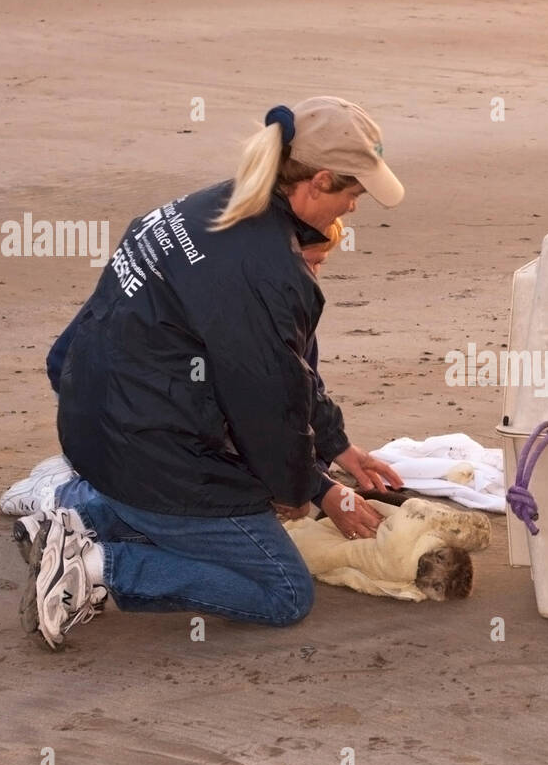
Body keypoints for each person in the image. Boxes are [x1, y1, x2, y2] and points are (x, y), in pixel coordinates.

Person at [21, 96, 405, 650]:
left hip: (91, 429)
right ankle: (96, 565)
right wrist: (310, 490)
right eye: (353, 193)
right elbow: (267, 408)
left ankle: (71, 514)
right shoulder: (266, 271)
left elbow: (279, 374)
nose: (354, 207)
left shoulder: (200, 208)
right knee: (283, 593)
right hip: (148, 453)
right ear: (319, 182)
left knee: (223, 477)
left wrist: (339, 447)